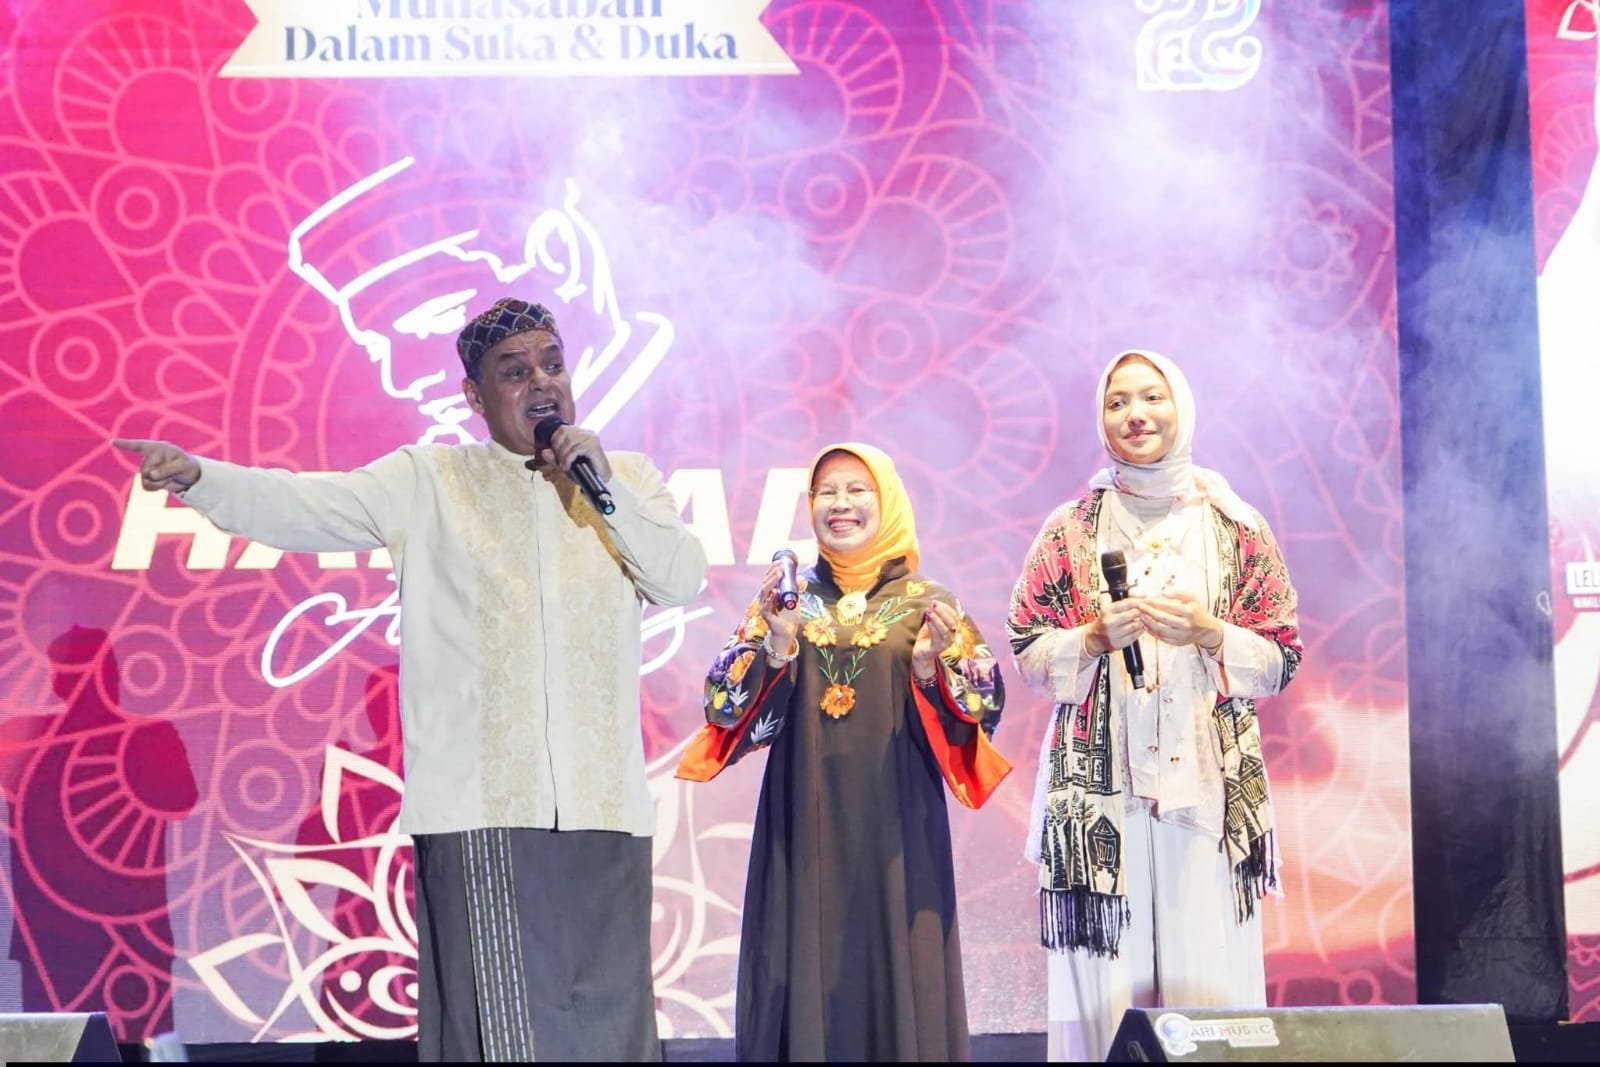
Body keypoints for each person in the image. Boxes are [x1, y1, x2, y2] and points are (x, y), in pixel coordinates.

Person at [113, 297, 708, 1062]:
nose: (542, 383)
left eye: (553, 365)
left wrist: (603, 484)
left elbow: (678, 577)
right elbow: (305, 506)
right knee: (506, 1037)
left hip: (604, 807)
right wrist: (201, 478)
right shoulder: (431, 480)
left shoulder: (625, 479)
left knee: (612, 1027)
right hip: (486, 807)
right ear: (474, 396)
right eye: (515, 371)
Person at [1006, 350, 1303, 1062]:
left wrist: (1210, 631)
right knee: (1105, 1002)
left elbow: (1282, 656)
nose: (1135, 415)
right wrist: (1091, 637)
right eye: (1118, 403)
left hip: (1207, 792)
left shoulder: (1235, 525)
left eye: (1151, 398)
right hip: (1099, 801)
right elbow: (1027, 645)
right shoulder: (1070, 528)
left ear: (1182, 408)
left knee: (1209, 992)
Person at [675, 442, 1012, 1062]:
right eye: (827, 491)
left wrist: (928, 669)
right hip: (801, 819)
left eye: (858, 490)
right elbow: (722, 707)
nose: (841, 503)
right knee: (804, 963)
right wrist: (776, 646)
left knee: (895, 970)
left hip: (898, 824)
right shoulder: (785, 600)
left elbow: (985, 707)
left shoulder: (929, 602)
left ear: (887, 501)